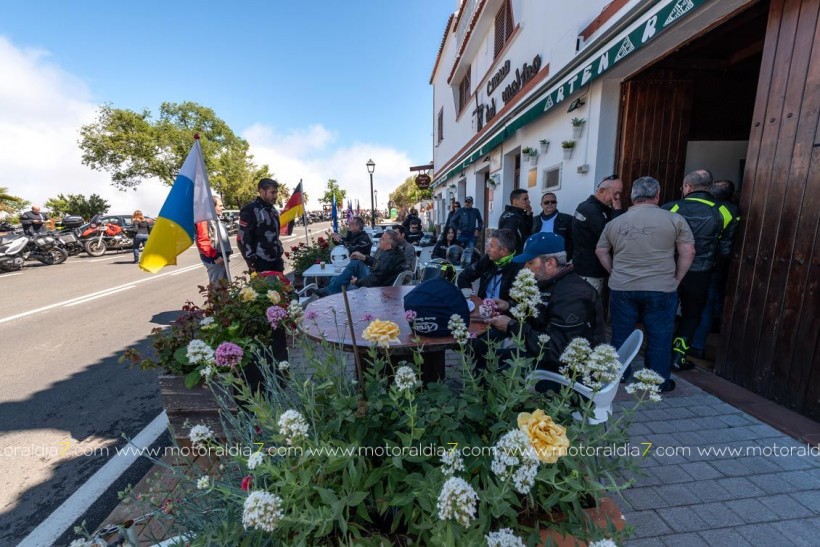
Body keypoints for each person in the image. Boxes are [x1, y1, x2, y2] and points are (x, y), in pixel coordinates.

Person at [595, 177, 695, 392]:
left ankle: (618, 377)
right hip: (661, 287)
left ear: (632, 196)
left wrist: (614, 271)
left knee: (621, 332)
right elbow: (688, 252)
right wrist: (677, 279)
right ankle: (656, 382)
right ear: (657, 195)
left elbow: (601, 251)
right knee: (660, 335)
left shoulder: (615, 222)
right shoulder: (675, 219)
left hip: (623, 287)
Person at [477, 232, 604, 376]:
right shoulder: (551, 282)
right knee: (484, 351)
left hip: (570, 372)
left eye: (530, 262)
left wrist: (511, 326)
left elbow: (558, 350)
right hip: (547, 355)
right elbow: (540, 318)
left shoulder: (573, 294)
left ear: (550, 263)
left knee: (493, 367)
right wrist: (509, 307)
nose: (525, 268)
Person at [662, 169, 737, 371]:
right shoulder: (726, 211)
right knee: (692, 314)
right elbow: (725, 249)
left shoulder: (671, 207)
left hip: (668, 269)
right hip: (701, 273)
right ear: (710, 187)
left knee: (664, 311)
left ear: (688, 187)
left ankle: (659, 353)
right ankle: (678, 357)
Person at [690, 180, 741, 359]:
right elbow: (725, 246)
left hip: (694, 264)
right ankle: (696, 345)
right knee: (708, 305)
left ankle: (680, 344)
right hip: (712, 266)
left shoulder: (701, 207)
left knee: (696, 305)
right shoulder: (731, 210)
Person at [572, 175, 624, 295]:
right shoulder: (590, 210)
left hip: (594, 270)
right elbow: (613, 235)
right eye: (616, 193)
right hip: (591, 273)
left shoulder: (595, 207)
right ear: (601, 191)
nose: (618, 198)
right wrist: (617, 212)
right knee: (592, 309)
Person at [316, 229, 407, 295]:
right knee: (351, 267)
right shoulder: (397, 252)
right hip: (383, 282)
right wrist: (364, 257)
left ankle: (329, 291)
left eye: (382, 239)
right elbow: (379, 266)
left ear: (388, 245)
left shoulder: (387, 258)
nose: (380, 240)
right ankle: (330, 288)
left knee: (352, 266)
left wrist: (357, 281)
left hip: (377, 289)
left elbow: (372, 281)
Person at [457, 229, 521, 302]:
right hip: (482, 309)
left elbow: (519, 304)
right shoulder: (487, 260)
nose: (487, 250)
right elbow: (463, 277)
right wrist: (472, 299)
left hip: (503, 312)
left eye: (491, 246)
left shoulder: (518, 268)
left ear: (503, 251)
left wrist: (505, 308)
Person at [237, 178, 284, 273]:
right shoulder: (250, 210)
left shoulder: (273, 210)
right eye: (272, 192)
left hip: (276, 260)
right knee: (263, 288)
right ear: (262, 191)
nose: (275, 196)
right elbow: (243, 238)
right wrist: (251, 261)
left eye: (276, 193)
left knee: (281, 287)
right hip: (260, 262)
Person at [195, 196, 233, 284]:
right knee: (217, 288)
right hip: (215, 260)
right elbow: (203, 241)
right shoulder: (203, 220)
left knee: (224, 286)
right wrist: (215, 256)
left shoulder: (215, 219)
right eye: (220, 206)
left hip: (221, 258)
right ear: (212, 207)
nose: (223, 208)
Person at [532, 192, 574, 260]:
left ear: (556, 203)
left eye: (553, 202)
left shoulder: (568, 219)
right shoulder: (534, 220)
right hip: (538, 259)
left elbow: (574, 241)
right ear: (541, 205)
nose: (550, 204)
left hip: (559, 260)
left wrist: (569, 257)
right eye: (546, 202)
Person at [498, 189, 532, 254]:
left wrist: (528, 214)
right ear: (515, 201)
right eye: (525, 199)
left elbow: (526, 231)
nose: (529, 201)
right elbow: (508, 242)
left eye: (528, 199)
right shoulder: (512, 217)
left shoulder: (518, 214)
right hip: (514, 257)